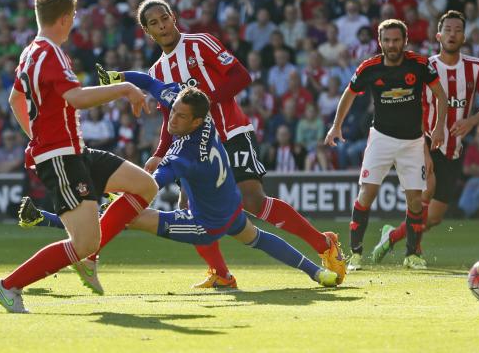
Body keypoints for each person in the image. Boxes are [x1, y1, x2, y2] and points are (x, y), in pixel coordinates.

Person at [20, 81, 340, 296]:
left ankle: (56, 226)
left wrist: (121, 182)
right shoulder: (204, 118)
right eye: (173, 112)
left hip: (205, 225)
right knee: (257, 238)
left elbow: (149, 186)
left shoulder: (181, 157)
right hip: (231, 208)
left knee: (130, 214)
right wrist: (126, 80)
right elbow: (159, 87)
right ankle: (316, 273)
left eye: (180, 117)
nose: (172, 120)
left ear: (195, 122)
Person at [122, 0, 345, 286]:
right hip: (194, 148)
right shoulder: (156, 73)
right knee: (190, 212)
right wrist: (159, 153)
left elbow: (241, 76)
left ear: (173, 16)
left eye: (164, 18)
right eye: (154, 23)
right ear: (147, 32)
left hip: (231, 133)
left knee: (252, 199)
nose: (162, 25)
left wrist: (203, 102)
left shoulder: (200, 43)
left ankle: (324, 244)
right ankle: (221, 275)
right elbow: (171, 118)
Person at [0, 0, 158, 314]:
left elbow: (14, 99)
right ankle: (9, 287)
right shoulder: (50, 53)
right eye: (74, 15)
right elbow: (76, 99)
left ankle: (87, 258)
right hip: (60, 157)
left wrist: (34, 136)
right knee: (82, 242)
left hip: (72, 150)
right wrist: (124, 88)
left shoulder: (30, 52)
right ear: (66, 18)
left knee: (144, 186)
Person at [371, 11, 479, 262]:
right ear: (439, 35)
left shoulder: (476, 67)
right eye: (447, 29)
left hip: (454, 148)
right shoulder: (425, 67)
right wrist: (424, 150)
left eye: (457, 30)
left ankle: (392, 236)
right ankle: (414, 254)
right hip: (424, 140)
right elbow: (412, 108)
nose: (452, 34)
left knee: (434, 218)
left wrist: (471, 121)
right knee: (424, 194)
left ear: (464, 36)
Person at [324, 19, 449, 271]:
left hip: (413, 141)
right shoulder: (369, 67)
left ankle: (412, 255)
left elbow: (441, 96)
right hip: (380, 138)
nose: (392, 45)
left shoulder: (420, 64)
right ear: (379, 42)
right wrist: (337, 125)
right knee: (366, 195)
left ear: (405, 41)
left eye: (396, 40)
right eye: (387, 40)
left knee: (415, 200)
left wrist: (437, 129)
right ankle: (355, 255)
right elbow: (349, 93)